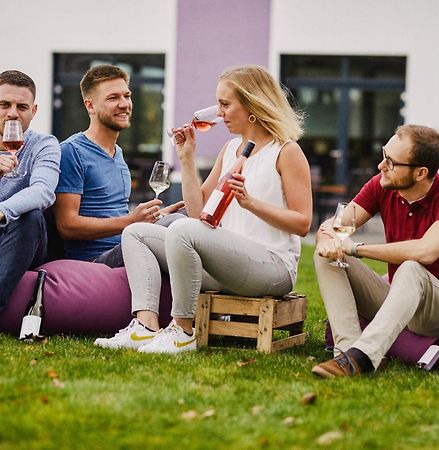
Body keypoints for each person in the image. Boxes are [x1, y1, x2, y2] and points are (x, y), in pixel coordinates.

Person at [94, 64, 313, 351]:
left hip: (272, 269)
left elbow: (302, 222)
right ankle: (145, 326)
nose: (219, 114)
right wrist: (186, 159)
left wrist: (251, 204)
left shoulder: (286, 151)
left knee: (182, 228)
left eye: (225, 104)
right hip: (228, 265)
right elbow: (199, 213)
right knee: (136, 233)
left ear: (251, 104)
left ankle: (183, 331)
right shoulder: (231, 150)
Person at [312, 125, 439, 378]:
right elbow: (335, 225)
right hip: (398, 297)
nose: (381, 166)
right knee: (326, 256)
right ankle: (346, 353)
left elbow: (426, 251)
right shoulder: (382, 185)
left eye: (392, 162)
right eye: (384, 155)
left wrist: (355, 249)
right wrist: (327, 240)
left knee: (411, 267)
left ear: (420, 173)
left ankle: (365, 355)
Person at [54, 64, 183, 271]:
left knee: (181, 220)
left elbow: (119, 215)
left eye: (127, 95)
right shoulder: (72, 152)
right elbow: (66, 226)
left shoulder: (118, 153)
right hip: (95, 260)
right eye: (113, 98)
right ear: (90, 106)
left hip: (126, 244)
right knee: (178, 226)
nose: (124, 104)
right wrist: (131, 221)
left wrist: (151, 219)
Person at [0, 70, 61, 310]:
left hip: (20, 239)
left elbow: (43, 191)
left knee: (31, 215)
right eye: (4, 104)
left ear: (33, 111)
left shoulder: (44, 144)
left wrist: (3, 210)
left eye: (22, 107)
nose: (12, 113)